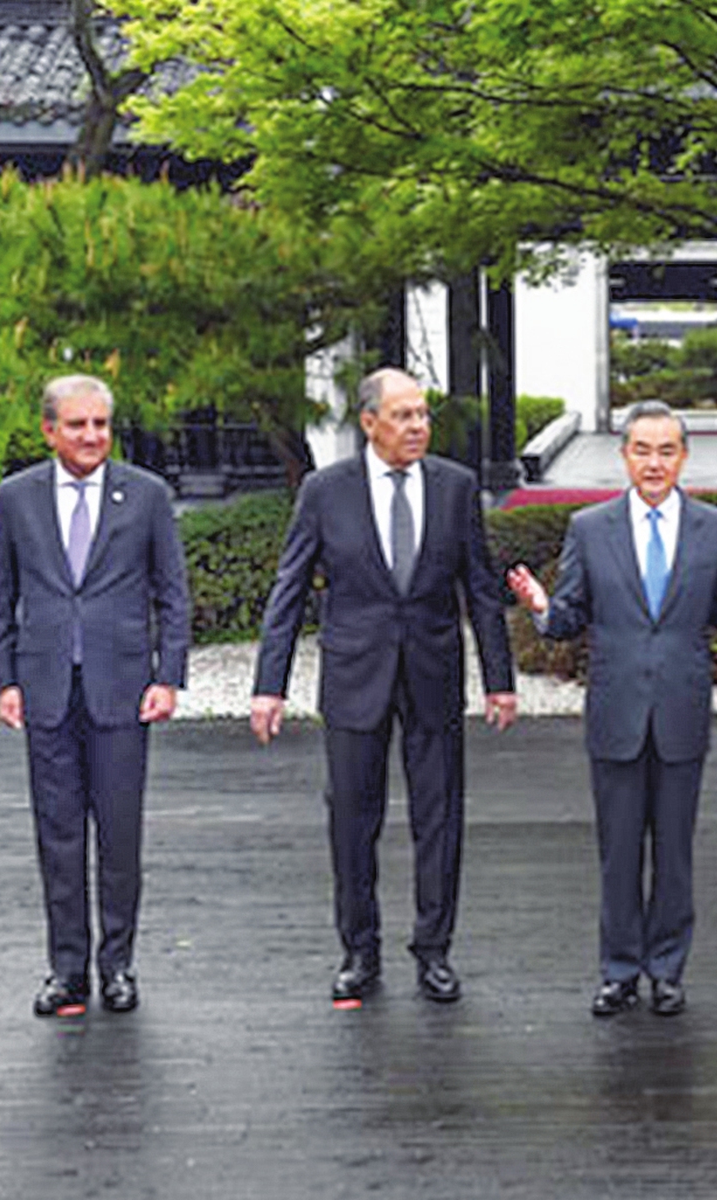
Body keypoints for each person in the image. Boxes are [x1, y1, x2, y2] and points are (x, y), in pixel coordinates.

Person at [506, 402, 717, 1018]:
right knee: (617, 855)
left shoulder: (716, 529)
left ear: (684, 457)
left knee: (674, 855)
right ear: (624, 456)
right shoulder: (590, 528)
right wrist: (540, 605)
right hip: (615, 715)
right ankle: (618, 972)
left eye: (667, 451)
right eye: (642, 450)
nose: (654, 462)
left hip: (680, 716)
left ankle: (666, 970)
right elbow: (567, 617)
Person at [252, 367, 517, 1005]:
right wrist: (269, 684)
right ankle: (359, 951)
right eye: (403, 416)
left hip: (433, 672)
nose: (418, 426)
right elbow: (290, 588)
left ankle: (434, 950)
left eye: (422, 414)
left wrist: (499, 680)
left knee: (440, 819)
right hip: (354, 675)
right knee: (351, 820)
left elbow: (480, 588)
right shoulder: (325, 491)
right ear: (369, 423)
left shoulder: (455, 487)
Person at [0, 375, 191, 1018]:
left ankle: (118, 966)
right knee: (58, 835)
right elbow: (1, 597)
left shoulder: (147, 495)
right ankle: (67, 970)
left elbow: (172, 594)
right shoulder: (17, 497)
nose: (91, 436)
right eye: (77, 425)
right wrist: (5, 680)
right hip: (46, 687)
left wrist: (168, 677)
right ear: (49, 430)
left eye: (100, 424)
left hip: (122, 689)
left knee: (121, 836)